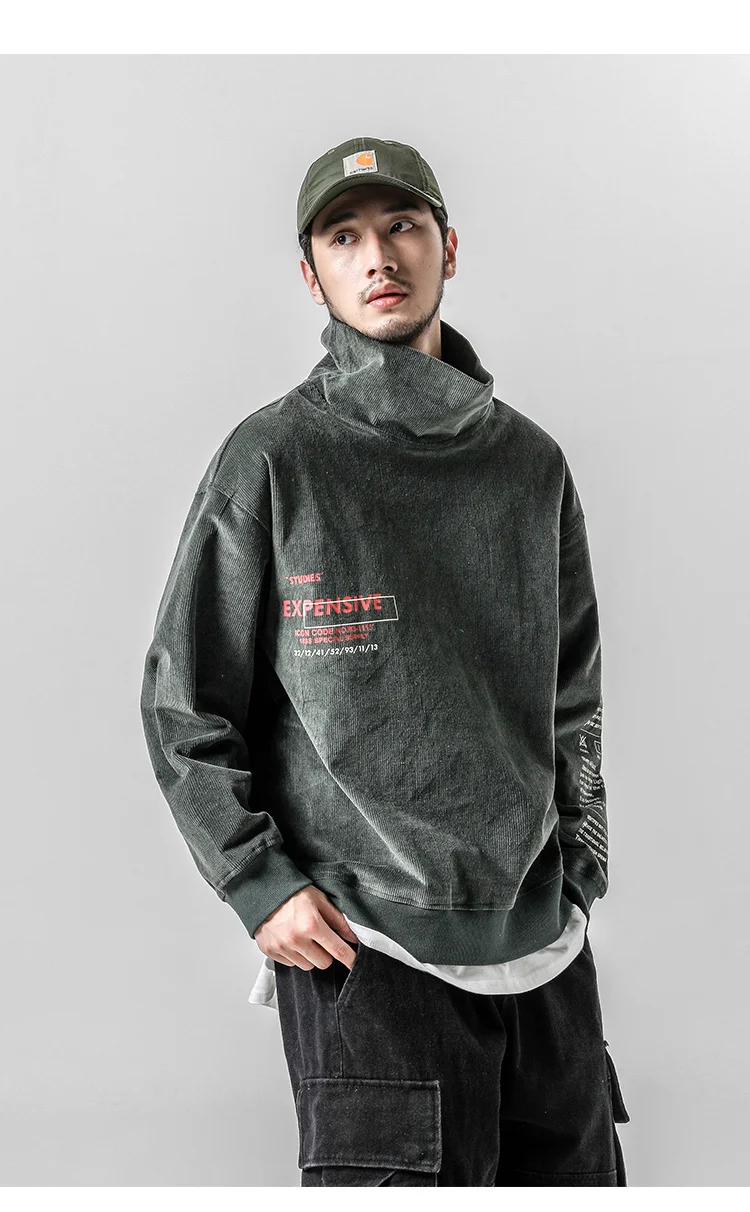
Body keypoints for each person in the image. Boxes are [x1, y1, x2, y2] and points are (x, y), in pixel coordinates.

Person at [140, 135, 630, 1186]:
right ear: (309, 273)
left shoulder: (531, 464)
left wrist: (581, 870)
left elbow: (574, 698)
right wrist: (257, 882)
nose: (378, 257)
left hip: (544, 951)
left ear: (448, 247)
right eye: (344, 236)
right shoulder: (273, 458)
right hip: (369, 952)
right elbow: (184, 703)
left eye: (403, 225)